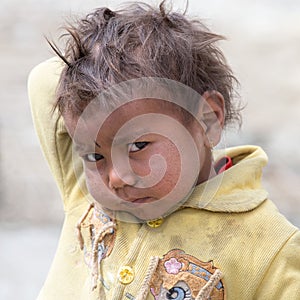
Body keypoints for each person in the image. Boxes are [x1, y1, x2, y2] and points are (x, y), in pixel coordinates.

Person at [28, 2, 300, 299]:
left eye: (137, 146)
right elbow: (42, 80)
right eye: (95, 157)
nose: (115, 178)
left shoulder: (270, 247)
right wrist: (99, 55)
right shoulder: (84, 189)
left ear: (207, 119)